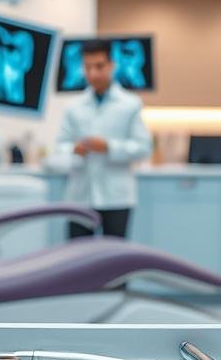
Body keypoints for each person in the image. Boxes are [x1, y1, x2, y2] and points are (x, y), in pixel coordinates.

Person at [55, 39, 152, 239]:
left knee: (113, 259)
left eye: (99, 66)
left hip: (117, 197)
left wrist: (109, 147)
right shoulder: (74, 106)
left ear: (111, 65)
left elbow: (144, 147)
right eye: (88, 67)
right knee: (76, 259)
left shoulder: (130, 104)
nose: (93, 74)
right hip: (80, 196)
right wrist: (74, 149)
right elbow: (59, 147)